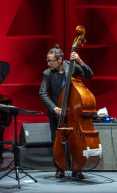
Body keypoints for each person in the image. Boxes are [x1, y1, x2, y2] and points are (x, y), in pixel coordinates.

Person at [39, 45, 94, 179]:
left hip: (73, 113)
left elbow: (89, 75)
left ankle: (77, 168)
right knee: (56, 141)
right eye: (47, 60)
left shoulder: (73, 66)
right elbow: (43, 93)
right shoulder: (47, 73)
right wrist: (53, 108)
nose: (48, 63)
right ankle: (59, 168)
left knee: (75, 141)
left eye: (50, 61)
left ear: (59, 60)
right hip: (56, 114)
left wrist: (80, 61)